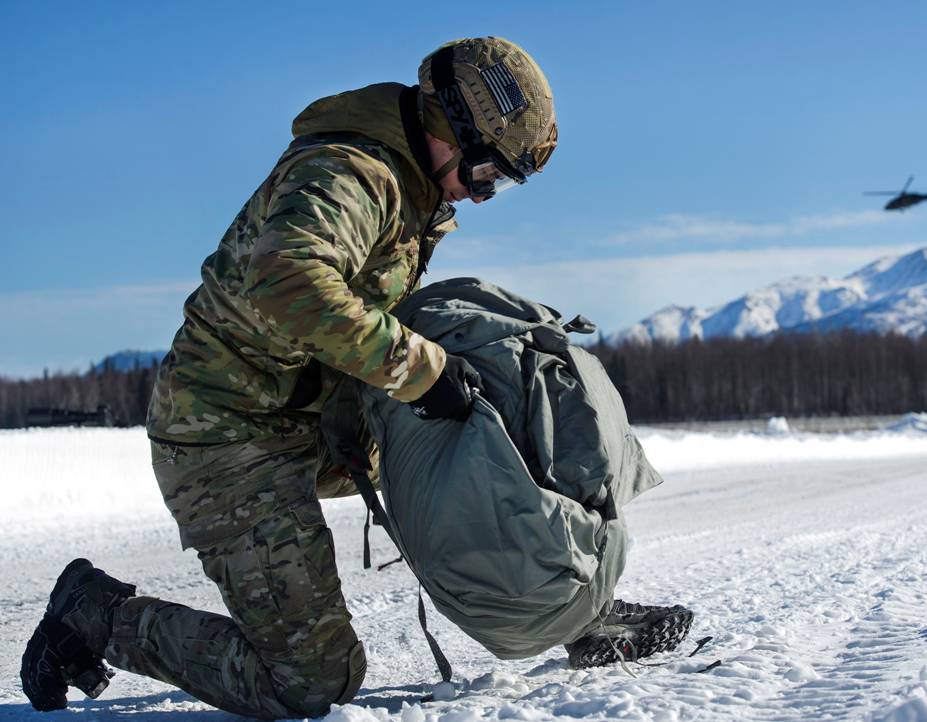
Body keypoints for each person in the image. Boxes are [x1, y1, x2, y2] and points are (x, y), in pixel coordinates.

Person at [21, 37, 689, 719]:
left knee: (483, 438)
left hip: (308, 422)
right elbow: (288, 281)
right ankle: (96, 615)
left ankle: (574, 611)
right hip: (227, 439)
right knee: (309, 684)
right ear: (450, 129)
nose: (483, 195)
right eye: (488, 172)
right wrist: (421, 371)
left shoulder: (410, 187)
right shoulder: (349, 172)